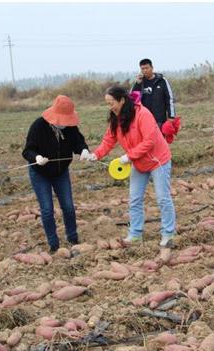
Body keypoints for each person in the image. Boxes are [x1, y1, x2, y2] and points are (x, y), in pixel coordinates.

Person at [85, 86, 176, 248]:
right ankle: (135, 234)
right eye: (107, 104)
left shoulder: (143, 114)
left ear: (122, 100)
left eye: (112, 103)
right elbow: (108, 140)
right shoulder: (116, 118)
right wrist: (96, 155)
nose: (110, 107)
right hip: (139, 163)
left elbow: (150, 141)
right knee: (134, 199)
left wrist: (128, 156)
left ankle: (168, 233)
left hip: (158, 160)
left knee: (162, 198)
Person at [22, 95, 91, 252]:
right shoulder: (38, 126)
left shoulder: (70, 128)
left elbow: (78, 142)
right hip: (40, 174)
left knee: (68, 206)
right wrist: (37, 157)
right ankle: (54, 245)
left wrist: (84, 150)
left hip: (61, 173)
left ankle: (73, 239)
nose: (64, 124)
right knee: (47, 209)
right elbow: (28, 150)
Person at [131, 59, 176, 130]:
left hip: (159, 119)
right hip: (144, 119)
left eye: (147, 68)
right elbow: (133, 99)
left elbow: (169, 99)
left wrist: (171, 116)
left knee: (159, 140)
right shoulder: (140, 82)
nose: (145, 70)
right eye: (142, 69)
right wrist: (137, 84)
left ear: (152, 68)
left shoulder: (162, 81)